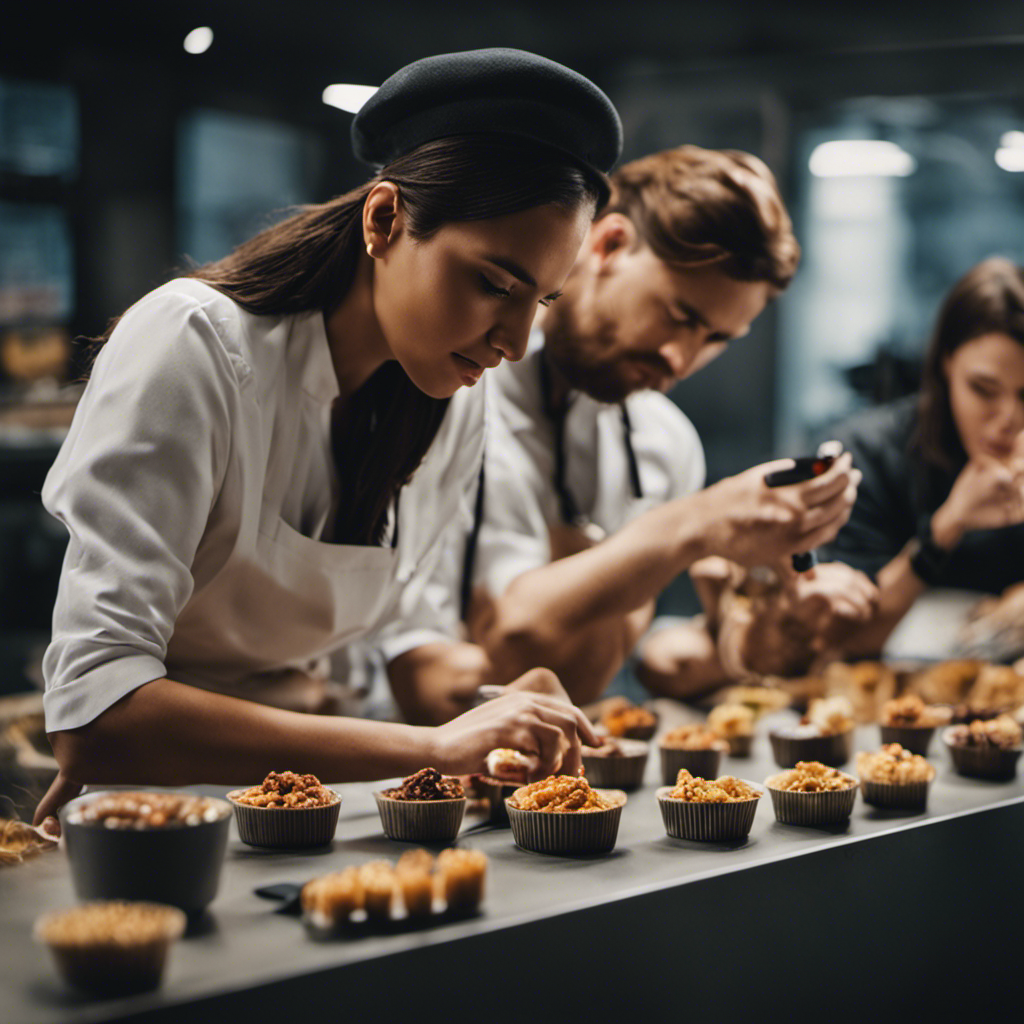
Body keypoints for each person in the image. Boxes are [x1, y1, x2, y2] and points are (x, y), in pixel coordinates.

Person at [33, 49, 623, 831]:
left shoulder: (444, 397)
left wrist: (495, 707)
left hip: (323, 815)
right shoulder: (195, 344)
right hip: (157, 825)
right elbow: (94, 719)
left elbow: (383, 658)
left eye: (542, 299)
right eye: (494, 284)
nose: (516, 341)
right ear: (384, 220)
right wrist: (435, 747)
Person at [376, 145, 872, 719]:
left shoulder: (664, 441)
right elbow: (450, 676)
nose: (680, 359)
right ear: (610, 245)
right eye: (681, 315)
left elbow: (631, 656)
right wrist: (695, 525)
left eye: (715, 340)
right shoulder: (448, 383)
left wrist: (776, 623)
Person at [815, 256, 1024, 654]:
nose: (1008, 419)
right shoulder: (865, 458)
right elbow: (842, 642)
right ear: (946, 363)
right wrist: (947, 527)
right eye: (983, 389)